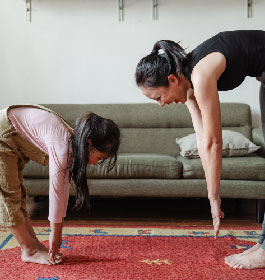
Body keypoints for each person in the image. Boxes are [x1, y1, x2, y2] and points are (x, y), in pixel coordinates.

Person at [135, 30, 265, 269]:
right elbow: (202, 138)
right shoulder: (188, 87)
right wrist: (210, 196)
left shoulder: (201, 75)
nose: (162, 104)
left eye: (159, 97)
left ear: (172, 80)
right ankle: (264, 244)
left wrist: (215, 198)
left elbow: (214, 142)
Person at [0, 104, 120, 265]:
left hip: (13, 137)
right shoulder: (63, 146)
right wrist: (55, 236)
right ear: (89, 143)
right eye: (99, 158)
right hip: (3, 134)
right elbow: (57, 192)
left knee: (19, 194)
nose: (95, 164)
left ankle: (34, 245)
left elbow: (63, 191)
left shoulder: (74, 144)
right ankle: (29, 250)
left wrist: (56, 234)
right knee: (9, 196)